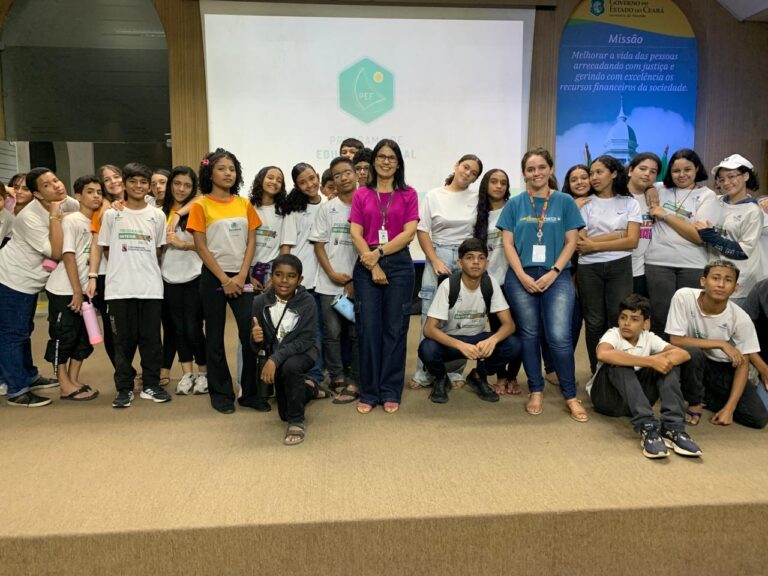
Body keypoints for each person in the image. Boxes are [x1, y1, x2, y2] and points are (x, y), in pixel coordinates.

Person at [498, 148, 588, 422]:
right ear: (524, 173)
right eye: (530, 169)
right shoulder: (514, 203)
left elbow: (572, 241)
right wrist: (522, 275)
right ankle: (535, 389)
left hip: (557, 276)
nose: (536, 173)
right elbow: (507, 244)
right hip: (521, 276)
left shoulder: (564, 202)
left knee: (559, 337)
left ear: (550, 169)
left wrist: (555, 271)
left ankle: (570, 395)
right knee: (529, 334)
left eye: (540, 167)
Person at [186, 149, 264, 414]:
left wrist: (242, 276)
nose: (228, 173)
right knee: (215, 337)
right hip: (213, 277)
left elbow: (252, 240)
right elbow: (200, 246)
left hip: (243, 275)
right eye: (222, 168)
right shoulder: (200, 205)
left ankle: (251, 393)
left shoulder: (244, 204)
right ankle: (221, 394)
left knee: (251, 334)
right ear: (210, 172)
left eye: (232, 168)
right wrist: (224, 278)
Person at [350, 138, 419, 413]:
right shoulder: (361, 194)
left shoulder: (409, 193)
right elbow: (355, 232)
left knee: (395, 329)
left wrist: (378, 254)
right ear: (373, 161)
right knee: (368, 329)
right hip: (366, 266)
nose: (386, 161)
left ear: (398, 162)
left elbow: (409, 232)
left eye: (391, 157)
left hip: (399, 266)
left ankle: (390, 390)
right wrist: (373, 262)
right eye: (381, 156)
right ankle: (369, 392)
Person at [587, 294, 701, 459]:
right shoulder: (613, 334)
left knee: (668, 364)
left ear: (645, 324)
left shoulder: (649, 337)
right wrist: (650, 361)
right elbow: (603, 354)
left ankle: (672, 427)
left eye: (634, 319)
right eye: (623, 317)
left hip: (637, 398)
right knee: (619, 362)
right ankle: (647, 427)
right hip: (608, 399)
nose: (626, 323)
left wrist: (659, 361)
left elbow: (682, 354)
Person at [96, 163, 171, 408]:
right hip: (119, 288)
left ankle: (151, 384)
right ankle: (124, 388)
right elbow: (106, 248)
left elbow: (158, 249)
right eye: (133, 182)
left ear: (148, 186)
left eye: (143, 182)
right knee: (122, 341)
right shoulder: (111, 214)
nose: (138, 186)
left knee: (151, 340)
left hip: (150, 287)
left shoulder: (157, 215)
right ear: (125, 184)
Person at [666, 260, 768, 429]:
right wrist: (720, 343)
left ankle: (705, 395)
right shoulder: (683, 296)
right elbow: (676, 340)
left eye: (728, 280)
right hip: (688, 360)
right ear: (703, 281)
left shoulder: (741, 318)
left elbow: (744, 362)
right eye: (716, 278)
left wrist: (730, 408)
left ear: (736, 288)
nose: (721, 284)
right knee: (694, 352)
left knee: (758, 418)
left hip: (720, 367)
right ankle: (695, 402)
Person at [0, 168, 71, 406]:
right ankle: (17, 389)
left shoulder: (63, 201)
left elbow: (85, 207)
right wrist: (53, 216)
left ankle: (28, 375)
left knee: (24, 329)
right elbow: (56, 252)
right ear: (38, 194)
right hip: (11, 279)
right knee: (13, 334)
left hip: (30, 282)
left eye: (56, 180)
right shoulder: (29, 216)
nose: (57, 186)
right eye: (48, 185)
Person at [419, 238, 521, 404]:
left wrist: (492, 340)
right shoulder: (448, 285)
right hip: (452, 342)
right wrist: (460, 345)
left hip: (477, 340)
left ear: (487, 263)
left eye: (481, 258)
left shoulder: (490, 283)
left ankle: (478, 376)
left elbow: (509, 325)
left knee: (515, 344)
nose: (476, 262)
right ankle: (440, 378)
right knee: (427, 349)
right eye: (469, 257)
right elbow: (429, 329)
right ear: (459, 263)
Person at [412, 153, 483, 389]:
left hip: (467, 256)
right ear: (456, 166)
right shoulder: (434, 195)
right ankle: (423, 373)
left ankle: (454, 372)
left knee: (460, 318)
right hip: (438, 254)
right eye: (465, 167)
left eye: (474, 173)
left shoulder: (476, 198)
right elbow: (423, 231)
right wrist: (434, 261)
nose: (468, 174)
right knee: (429, 314)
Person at [576, 155, 641, 374]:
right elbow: (581, 243)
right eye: (591, 173)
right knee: (593, 321)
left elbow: (632, 241)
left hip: (619, 266)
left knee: (619, 317)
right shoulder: (585, 203)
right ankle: (597, 370)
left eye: (599, 172)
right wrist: (616, 235)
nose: (593, 178)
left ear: (613, 173)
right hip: (589, 269)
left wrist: (595, 245)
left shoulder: (630, 203)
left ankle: (618, 368)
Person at [645, 149, 719, 336]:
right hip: (658, 263)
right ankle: (660, 364)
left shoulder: (706, 195)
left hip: (692, 264)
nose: (682, 175)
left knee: (689, 319)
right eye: (676, 171)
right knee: (660, 318)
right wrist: (649, 188)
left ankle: (686, 363)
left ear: (696, 169)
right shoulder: (660, 189)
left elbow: (698, 236)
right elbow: (642, 184)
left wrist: (665, 214)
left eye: (687, 169)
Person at [43, 175, 104, 401]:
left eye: (99, 192)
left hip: (84, 290)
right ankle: (64, 384)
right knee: (63, 336)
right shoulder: (73, 220)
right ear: (78, 196)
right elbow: (68, 256)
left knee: (83, 337)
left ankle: (73, 379)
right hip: (65, 290)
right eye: (90, 191)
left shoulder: (97, 222)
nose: (96, 196)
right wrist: (77, 291)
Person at [251, 254, 321, 446]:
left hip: (304, 351)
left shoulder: (307, 302)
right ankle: (309, 388)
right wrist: (255, 339)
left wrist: (275, 360)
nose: (284, 281)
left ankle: (297, 421)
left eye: (291, 276)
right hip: (277, 354)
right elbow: (257, 346)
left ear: (300, 280)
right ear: (271, 276)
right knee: (283, 412)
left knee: (291, 368)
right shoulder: (259, 302)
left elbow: (305, 339)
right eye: (278, 275)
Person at [311, 157, 360, 403]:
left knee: (354, 331)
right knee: (331, 333)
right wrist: (331, 273)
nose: (344, 177)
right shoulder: (326, 208)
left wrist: (353, 279)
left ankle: (353, 373)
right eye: (338, 174)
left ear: (356, 174)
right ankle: (337, 374)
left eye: (347, 172)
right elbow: (318, 245)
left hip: (357, 284)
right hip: (329, 283)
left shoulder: (365, 204)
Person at [161, 166, 207, 395]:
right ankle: (187, 372)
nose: (181, 189)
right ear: (170, 184)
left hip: (194, 276)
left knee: (193, 327)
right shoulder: (159, 210)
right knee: (178, 329)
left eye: (187, 185)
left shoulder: (197, 209)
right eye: (177, 183)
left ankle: (204, 373)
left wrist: (183, 243)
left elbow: (207, 245)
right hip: (168, 277)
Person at [281, 162, 327, 392]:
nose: (309, 184)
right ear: (297, 186)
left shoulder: (330, 205)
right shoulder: (294, 211)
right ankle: (311, 375)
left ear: (318, 176)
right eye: (302, 182)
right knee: (307, 330)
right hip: (304, 281)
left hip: (327, 279)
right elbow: (286, 249)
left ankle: (317, 374)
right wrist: (286, 283)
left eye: (311, 178)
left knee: (325, 329)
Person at [473, 169, 519, 395]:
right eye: (494, 182)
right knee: (497, 330)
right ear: (486, 185)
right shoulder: (479, 213)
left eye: (503, 182)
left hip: (515, 278)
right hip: (490, 283)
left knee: (518, 329)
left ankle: (513, 377)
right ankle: (501, 376)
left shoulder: (515, 208)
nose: (499, 186)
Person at [696, 154, 764, 307]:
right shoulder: (716, 201)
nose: (726, 183)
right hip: (712, 278)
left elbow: (742, 252)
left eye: (731, 176)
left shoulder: (752, 211)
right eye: (721, 179)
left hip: (738, 285)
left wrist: (712, 237)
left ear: (746, 176)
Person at [626, 153, 662, 297]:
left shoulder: (657, 196)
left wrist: (651, 188)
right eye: (642, 168)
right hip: (614, 267)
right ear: (630, 170)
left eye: (653, 172)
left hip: (640, 270)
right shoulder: (616, 195)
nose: (647, 174)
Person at [248, 166, 287, 292]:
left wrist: (276, 277)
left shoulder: (284, 211)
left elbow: (284, 246)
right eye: (270, 177)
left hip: (273, 269)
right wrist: (248, 277)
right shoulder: (247, 206)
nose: (274, 182)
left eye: (279, 180)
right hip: (248, 267)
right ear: (261, 179)